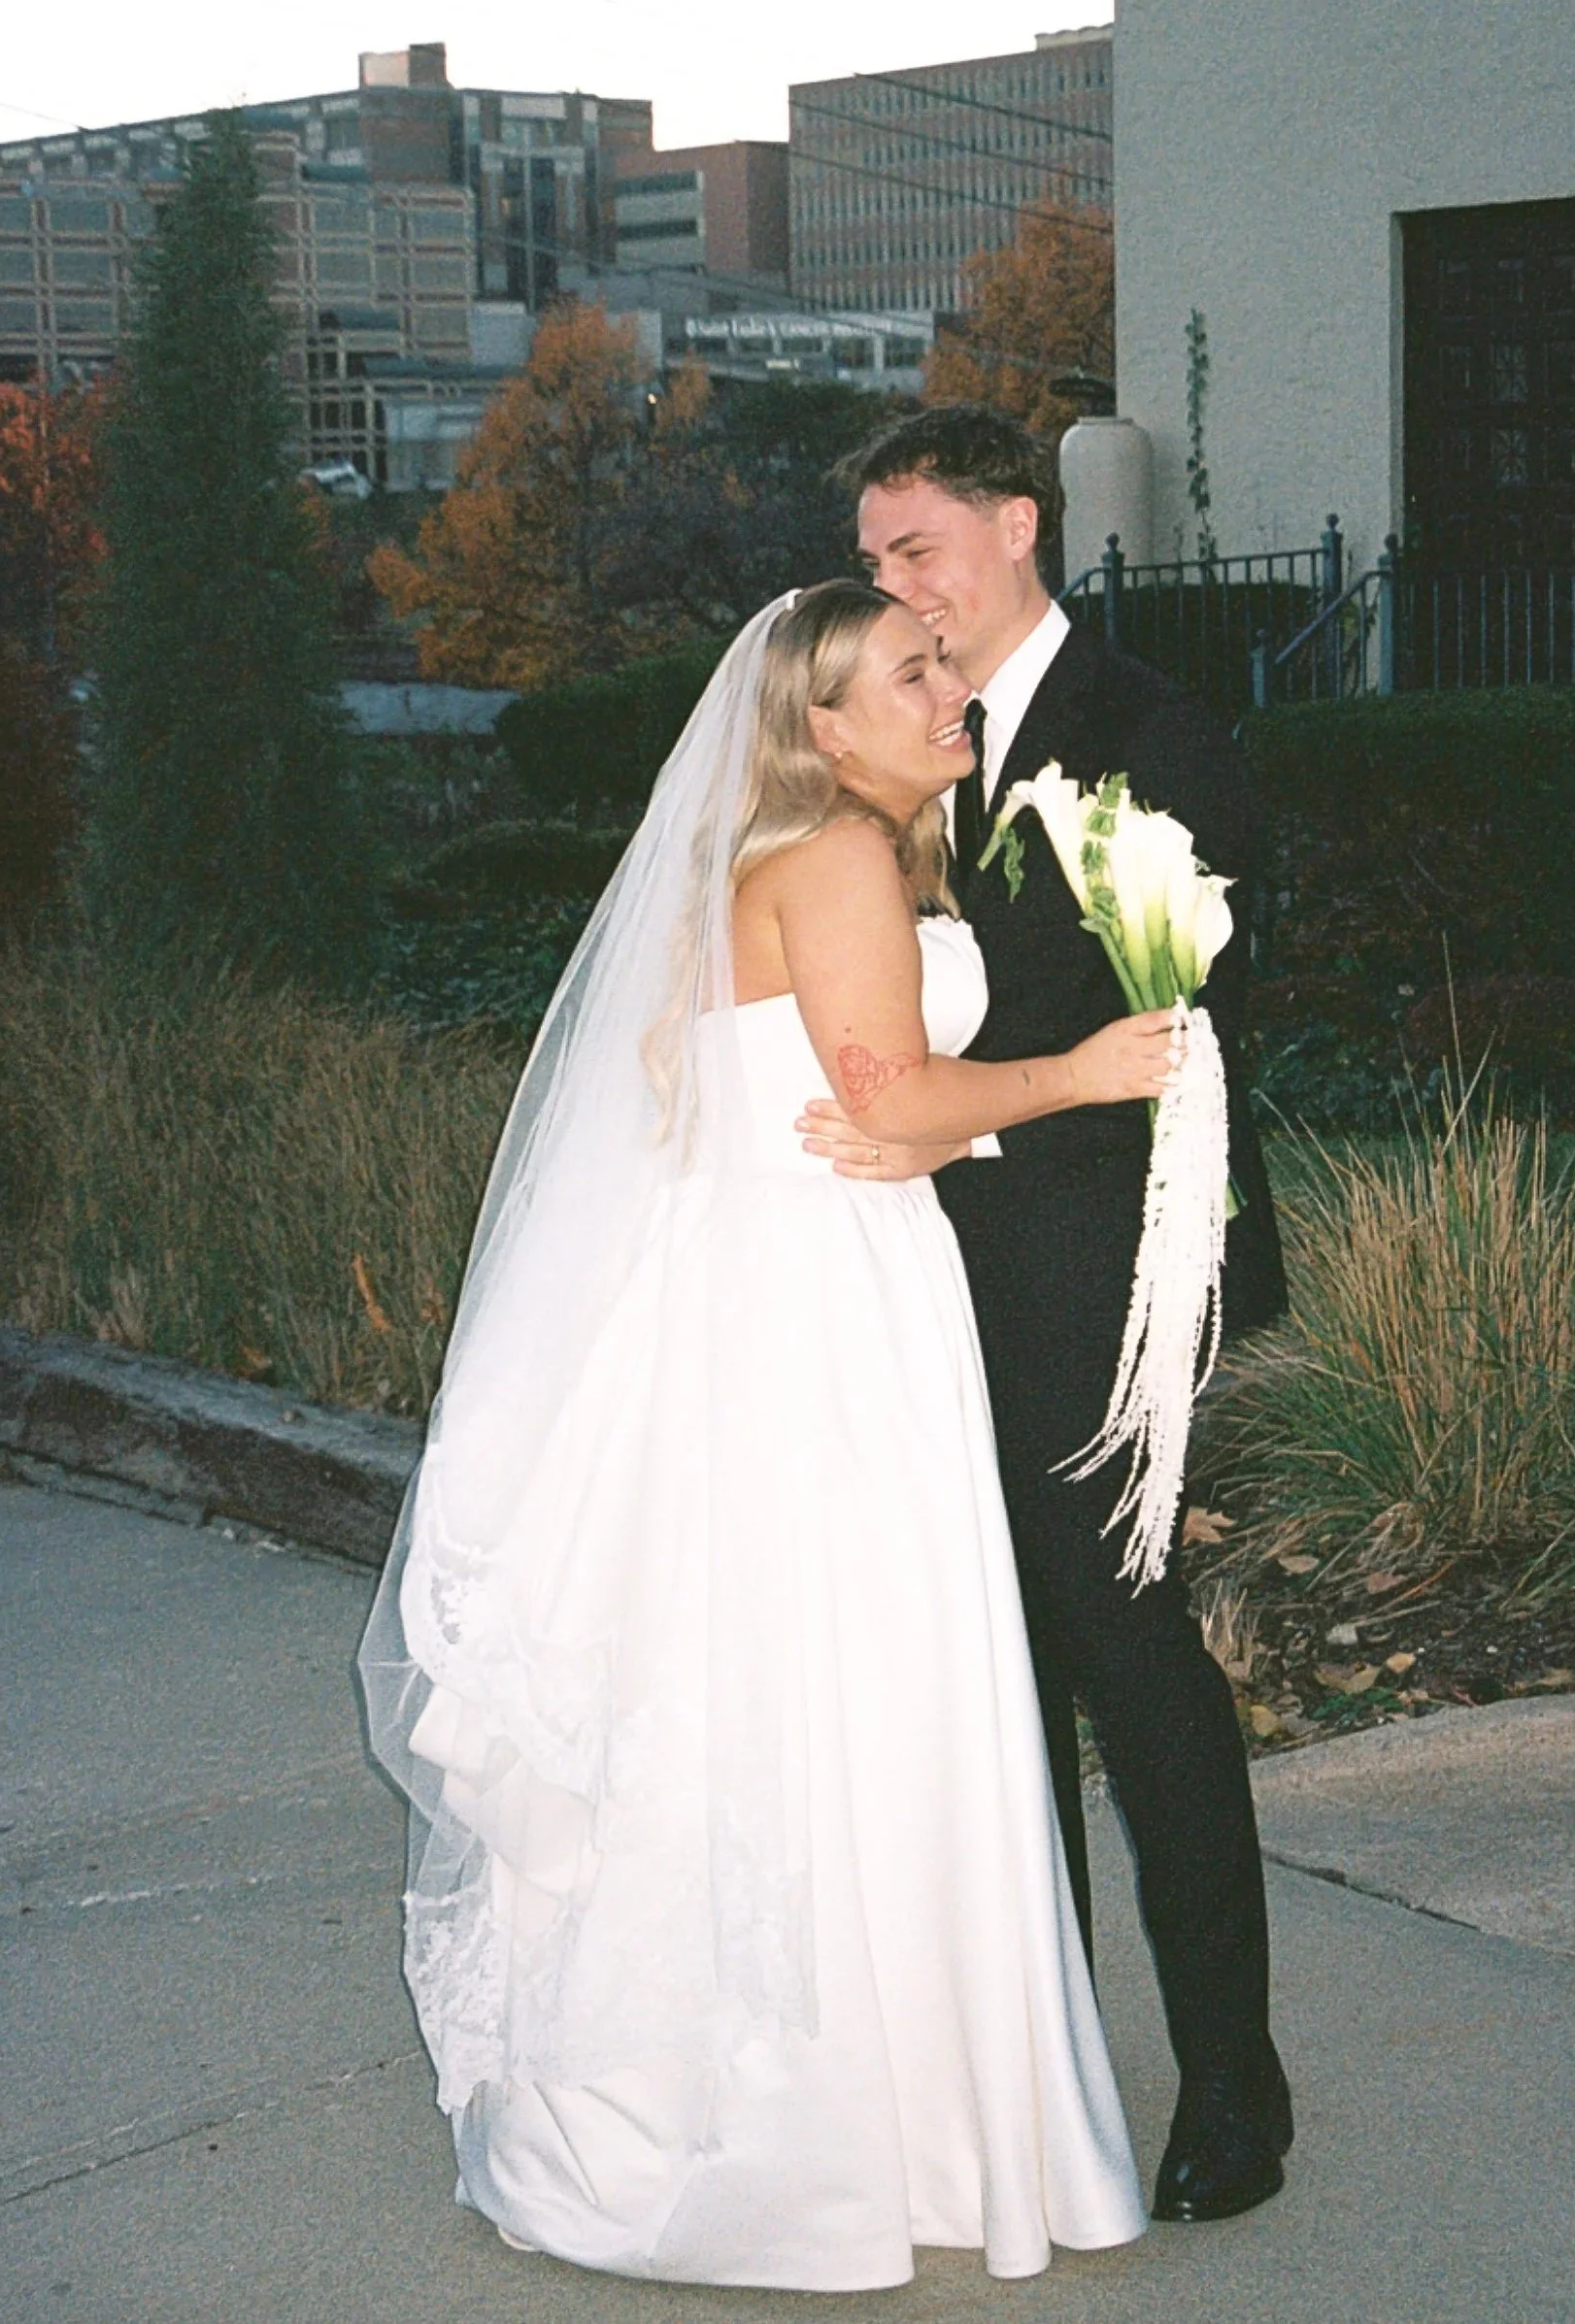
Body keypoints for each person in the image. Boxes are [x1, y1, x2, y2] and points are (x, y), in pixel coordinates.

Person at [358, 581, 1173, 2290]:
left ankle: (832, 2100)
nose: (946, 688)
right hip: (825, 1308)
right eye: (909, 673)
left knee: (766, 1686)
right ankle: (861, 2127)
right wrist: (1082, 1076)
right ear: (822, 724)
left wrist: (940, 1131)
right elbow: (884, 1101)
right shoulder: (839, 861)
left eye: (942, 661)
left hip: (763, 1286)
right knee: (858, 1677)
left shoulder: (770, 866)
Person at [806, 405, 1295, 2224]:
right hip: (919, 1274)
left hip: (1105, 1267)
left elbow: (1202, 984)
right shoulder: (890, 753)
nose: (895, 588)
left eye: (917, 549)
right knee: (982, 1671)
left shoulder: (1151, 729)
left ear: (1020, 527)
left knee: (1124, 1649)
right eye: (873, 563)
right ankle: (1042, 2073)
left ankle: (1235, 2087)